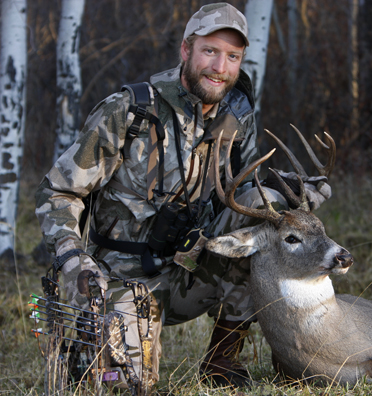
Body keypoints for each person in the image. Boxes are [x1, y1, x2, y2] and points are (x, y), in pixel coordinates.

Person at [35, 2, 330, 392]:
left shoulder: (235, 114)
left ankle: (222, 358)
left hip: (191, 267)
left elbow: (237, 192)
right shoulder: (130, 111)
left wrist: (286, 192)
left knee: (265, 225)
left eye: (232, 57)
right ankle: (88, 350)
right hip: (122, 278)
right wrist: (73, 257)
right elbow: (58, 191)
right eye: (210, 51)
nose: (220, 68)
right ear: (185, 50)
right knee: (129, 384)